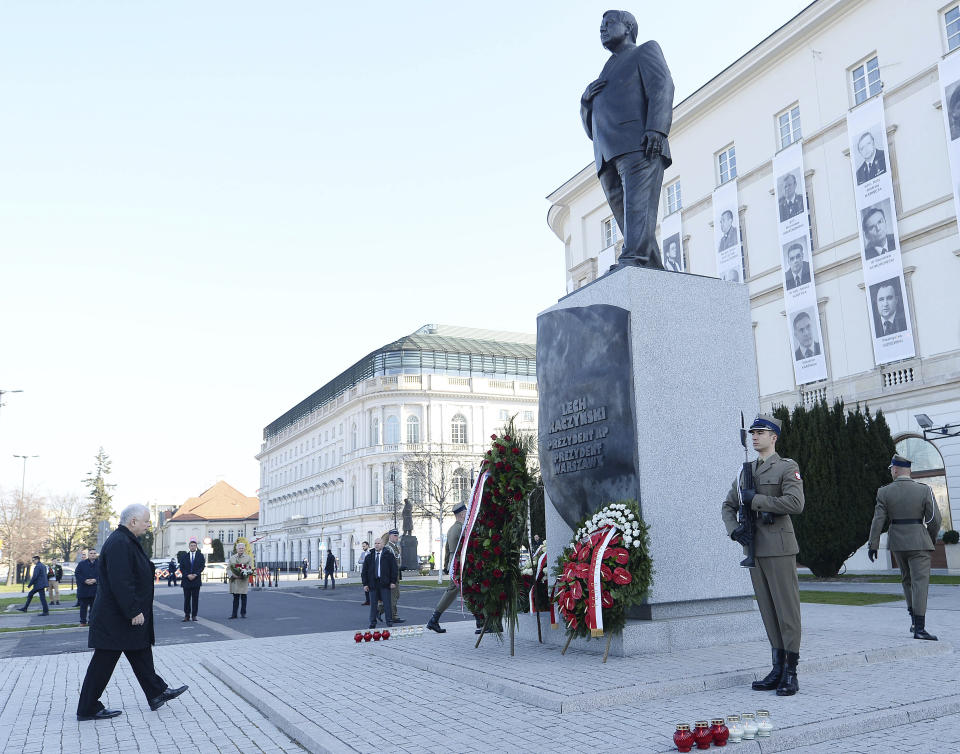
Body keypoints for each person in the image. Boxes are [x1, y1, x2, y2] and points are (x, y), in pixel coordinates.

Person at [76, 504, 188, 721]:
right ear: (133, 521)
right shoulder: (120, 542)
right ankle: (87, 707)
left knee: (140, 650)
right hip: (116, 617)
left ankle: (156, 692)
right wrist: (133, 610)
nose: (149, 525)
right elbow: (121, 580)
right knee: (104, 661)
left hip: (119, 616)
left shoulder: (125, 540)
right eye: (146, 521)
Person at [580, 10, 674, 269]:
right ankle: (648, 262)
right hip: (606, 154)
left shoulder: (644, 51)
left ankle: (635, 257)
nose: (602, 29)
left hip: (639, 144)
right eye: (601, 25)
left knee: (637, 208)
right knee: (628, 216)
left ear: (629, 27)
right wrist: (585, 100)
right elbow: (591, 128)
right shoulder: (606, 69)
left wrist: (657, 128)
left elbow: (663, 85)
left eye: (609, 23)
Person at [722, 415, 805, 696]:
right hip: (755, 548)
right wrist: (735, 531)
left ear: (774, 437)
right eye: (753, 433)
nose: (755, 437)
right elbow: (728, 505)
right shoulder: (745, 471)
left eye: (761, 432)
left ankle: (791, 672)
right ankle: (777, 667)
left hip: (780, 548)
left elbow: (796, 503)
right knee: (768, 611)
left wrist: (756, 500)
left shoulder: (786, 467)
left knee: (787, 611)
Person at [868, 455, 942, 640]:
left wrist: (873, 545)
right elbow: (935, 520)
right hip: (919, 541)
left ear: (895, 469)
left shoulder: (884, 492)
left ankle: (913, 621)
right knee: (920, 583)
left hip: (898, 543)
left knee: (907, 580)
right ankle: (920, 628)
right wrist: (930, 538)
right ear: (908, 470)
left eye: (891, 469)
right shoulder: (924, 490)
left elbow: (878, 521)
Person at [427, 503, 468, 633]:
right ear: (462, 514)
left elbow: (447, 549)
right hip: (458, 563)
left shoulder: (452, 528)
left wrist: (446, 565)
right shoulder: (461, 528)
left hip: (454, 562)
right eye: (466, 512)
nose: (467, 514)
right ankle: (433, 620)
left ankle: (434, 620)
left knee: (458, 590)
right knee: (461, 590)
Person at [361, 537, 397, 629]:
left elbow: (394, 569)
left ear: (383, 545)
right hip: (373, 584)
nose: (376, 545)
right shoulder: (369, 556)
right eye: (375, 543)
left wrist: (393, 582)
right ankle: (372, 623)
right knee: (373, 604)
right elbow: (364, 572)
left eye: (378, 543)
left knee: (387, 604)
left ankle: (389, 622)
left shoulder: (388, 555)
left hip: (385, 583)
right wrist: (365, 584)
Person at [177, 538, 205, 622]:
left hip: (196, 580)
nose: (193, 547)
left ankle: (194, 615)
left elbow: (202, 566)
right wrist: (187, 575)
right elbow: (182, 567)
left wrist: (195, 574)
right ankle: (186, 615)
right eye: (191, 546)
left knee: (195, 599)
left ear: (196, 547)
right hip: (186, 580)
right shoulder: (184, 556)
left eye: (194, 546)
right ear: (189, 547)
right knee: (187, 599)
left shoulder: (200, 556)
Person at [227, 540, 254, 619]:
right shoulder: (232, 558)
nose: (241, 549)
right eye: (239, 548)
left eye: (242, 548)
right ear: (237, 549)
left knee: (243, 597)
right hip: (235, 580)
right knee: (235, 598)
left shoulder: (248, 558)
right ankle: (234, 614)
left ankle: (243, 613)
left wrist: (244, 574)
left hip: (243, 580)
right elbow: (228, 568)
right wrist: (233, 575)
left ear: (244, 549)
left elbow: (249, 568)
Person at [384, 529, 405, 623]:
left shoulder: (395, 547)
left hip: (395, 575)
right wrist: (399, 567)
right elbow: (389, 563)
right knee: (394, 596)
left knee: (395, 596)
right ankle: (393, 616)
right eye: (395, 536)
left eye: (397, 536)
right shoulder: (389, 548)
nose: (397, 537)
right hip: (392, 576)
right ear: (390, 536)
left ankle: (379, 610)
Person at [75, 548, 99, 626]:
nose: (93, 555)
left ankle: (91, 621)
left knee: (93, 607)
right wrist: (85, 580)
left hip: (95, 589)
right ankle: (83, 622)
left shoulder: (100, 564)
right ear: (88, 555)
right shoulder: (81, 564)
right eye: (91, 553)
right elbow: (77, 574)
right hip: (84, 589)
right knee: (83, 607)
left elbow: (103, 574)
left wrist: (95, 580)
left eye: (94, 553)